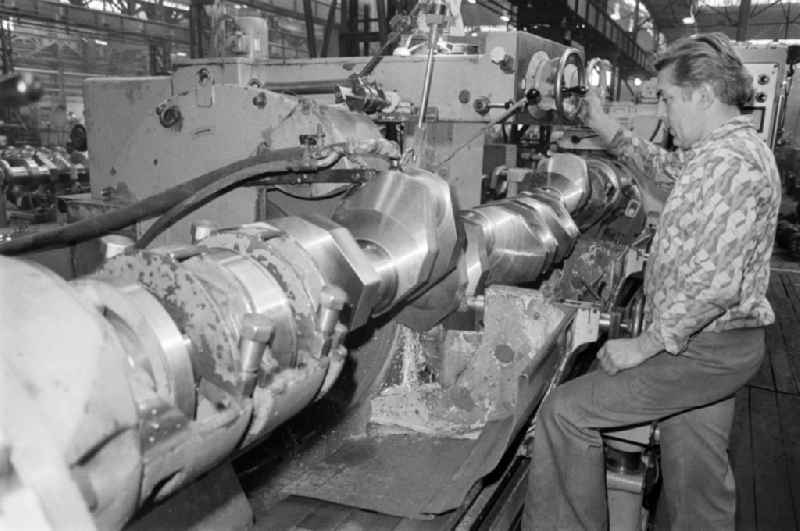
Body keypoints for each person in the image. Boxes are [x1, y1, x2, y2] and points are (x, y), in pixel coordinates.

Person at [524, 33, 781, 530]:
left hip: (702, 349)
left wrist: (642, 346)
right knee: (696, 477)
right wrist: (600, 122)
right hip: (718, 343)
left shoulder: (729, 164)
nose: (663, 112)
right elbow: (663, 170)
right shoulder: (720, 152)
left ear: (703, 93)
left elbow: (715, 285)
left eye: (668, 97)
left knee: (566, 413)